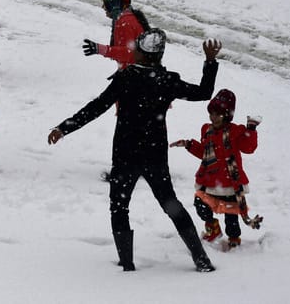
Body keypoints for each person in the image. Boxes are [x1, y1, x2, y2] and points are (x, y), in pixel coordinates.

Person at [48, 29, 223, 272]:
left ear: (142, 54)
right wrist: (210, 61)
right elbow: (204, 93)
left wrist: (64, 128)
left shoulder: (126, 78)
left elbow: (97, 107)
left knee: (119, 207)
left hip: (125, 155)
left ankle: (127, 264)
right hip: (155, 156)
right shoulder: (167, 80)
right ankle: (200, 258)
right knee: (170, 204)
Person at [170, 89, 262, 248]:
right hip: (210, 179)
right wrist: (189, 144)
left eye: (217, 114)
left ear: (227, 115)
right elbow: (205, 153)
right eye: (211, 114)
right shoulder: (207, 130)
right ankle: (213, 227)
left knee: (231, 214)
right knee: (200, 205)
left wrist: (251, 129)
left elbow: (249, 148)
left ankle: (234, 239)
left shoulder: (235, 131)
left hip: (230, 181)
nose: (213, 117)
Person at [82, 0, 150, 70]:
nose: (103, 7)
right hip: (136, 70)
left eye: (106, 3)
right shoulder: (127, 17)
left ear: (114, 4)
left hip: (135, 72)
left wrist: (101, 49)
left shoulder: (125, 22)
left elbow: (129, 53)